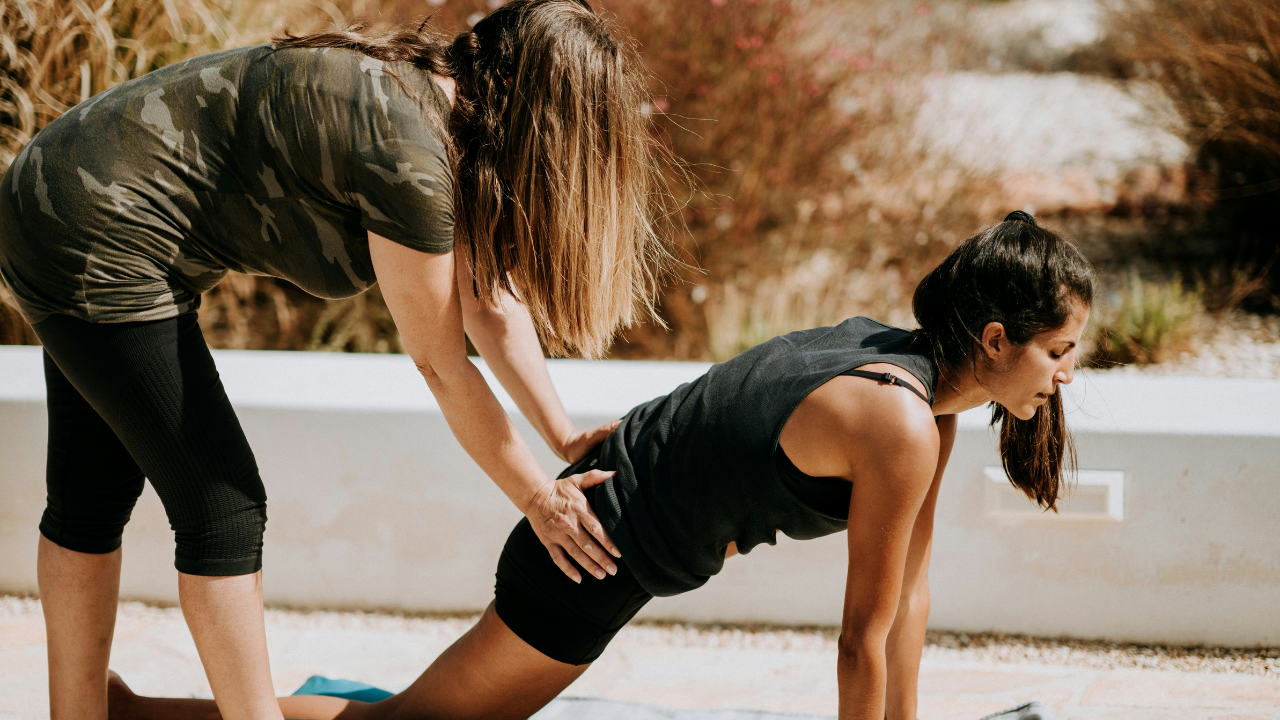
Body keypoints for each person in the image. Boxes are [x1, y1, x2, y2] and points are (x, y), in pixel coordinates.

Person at [106, 212, 1096, 720]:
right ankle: (132, 715)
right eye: (1055, 352)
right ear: (998, 336)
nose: (1061, 376)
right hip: (587, 553)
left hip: (607, 532)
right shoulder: (899, 421)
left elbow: (906, 605)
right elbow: (859, 642)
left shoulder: (918, 394)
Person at [0, 1, 672, 719]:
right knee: (222, 508)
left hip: (59, 196)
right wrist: (539, 499)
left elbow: (488, 305)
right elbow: (443, 365)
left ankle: (79, 714)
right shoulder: (412, 156)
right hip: (95, 226)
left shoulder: (442, 115)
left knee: (91, 498)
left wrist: (563, 437)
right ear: (545, 119)